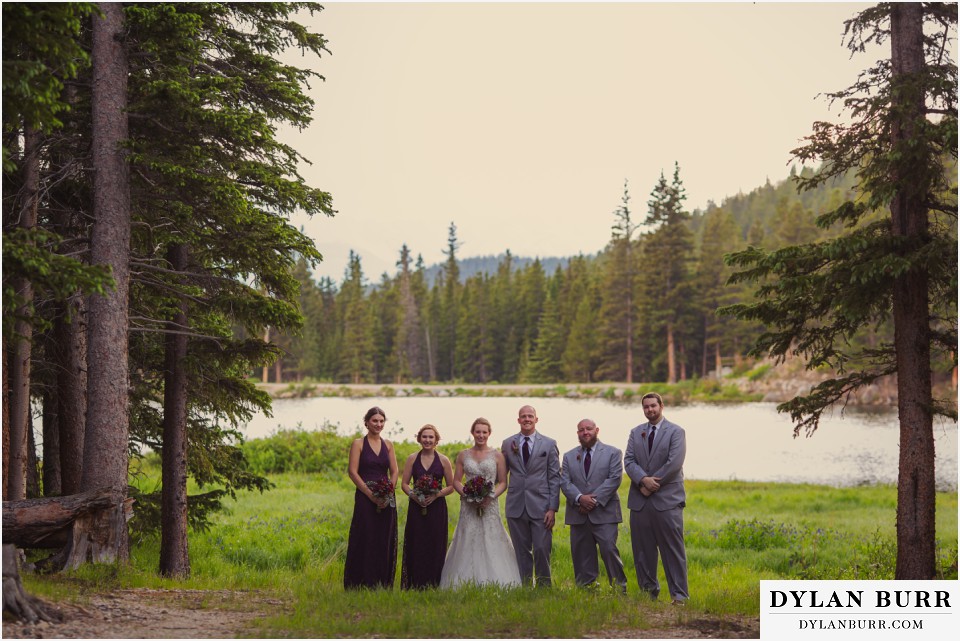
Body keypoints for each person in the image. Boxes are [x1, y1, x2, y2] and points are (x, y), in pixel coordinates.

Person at [440, 418, 521, 588]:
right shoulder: (463, 455)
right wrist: (468, 495)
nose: (481, 435)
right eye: (478, 432)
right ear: (473, 433)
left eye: (484, 432)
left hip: (489, 505)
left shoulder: (497, 455)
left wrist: (489, 497)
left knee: (491, 537)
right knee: (467, 537)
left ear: (489, 434)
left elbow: (503, 483)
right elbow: (456, 481)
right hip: (468, 506)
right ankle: (461, 581)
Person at [623, 392, 689, 604]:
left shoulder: (676, 432)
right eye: (646, 407)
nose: (650, 410)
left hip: (667, 501)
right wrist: (642, 479)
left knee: (672, 550)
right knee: (642, 551)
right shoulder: (636, 432)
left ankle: (679, 595)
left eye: (653, 406)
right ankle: (648, 593)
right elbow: (629, 460)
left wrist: (651, 485)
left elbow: (674, 463)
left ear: (662, 405)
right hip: (640, 503)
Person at [560, 418, 628, 592]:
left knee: (608, 548)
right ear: (577, 434)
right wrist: (579, 498)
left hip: (604, 512)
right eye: (581, 430)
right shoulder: (568, 456)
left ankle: (619, 588)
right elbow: (565, 482)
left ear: (597, 430)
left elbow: (614, 479)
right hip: (578, 513)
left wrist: (592, 501)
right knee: (581, 552)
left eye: (589, 429)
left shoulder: (613, 453)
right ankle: (587, 587)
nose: (585, 432)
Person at [501, 405, 561, 587]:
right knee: (521, 550)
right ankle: (525, 586)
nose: (527, 419)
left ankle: (544, 586)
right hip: (516, 504)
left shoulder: (549, 444)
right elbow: (501, 474)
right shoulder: (507, 443)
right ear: (518, 420)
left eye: (530, 416)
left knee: (542, 548)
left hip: (541, 506)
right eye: (523, 416)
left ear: (536, 419)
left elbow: (554, 477)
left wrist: (552, 508)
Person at [343, 406, 399, 589]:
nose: (378, 424)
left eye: (382, 421)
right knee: (365, 536)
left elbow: (395, 470)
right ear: (366, 422)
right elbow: (352, 472)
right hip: (365, 497)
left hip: (386, 497)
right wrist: (370, 494)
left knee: (384, 538)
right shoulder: (358, 444)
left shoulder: (388, 444)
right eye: (375, 421)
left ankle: (381, 582)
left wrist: (389, 490)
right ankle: (360, 582)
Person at [399, 424, 455, 589]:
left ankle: (434, 583)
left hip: (436, 509)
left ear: (436, 439)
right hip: (416, 508)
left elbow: (451, 486)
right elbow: (404, 484)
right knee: (416, 543)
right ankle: (415, 583)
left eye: (431, 437)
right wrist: (414, 496)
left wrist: (436, 494)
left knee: (435, 544)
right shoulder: (412, 458)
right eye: (424, 437)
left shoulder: (444, 460)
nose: (427, 440)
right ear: (419, 438)